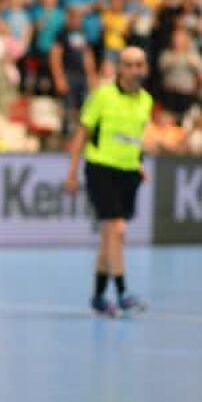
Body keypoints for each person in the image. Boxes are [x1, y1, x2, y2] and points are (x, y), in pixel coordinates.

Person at [63, 46, 152, 316]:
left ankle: (99, 297)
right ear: (120, 68)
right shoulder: (103, 95)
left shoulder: (146, 100)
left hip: (128, 173)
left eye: (139, 64)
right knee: (115, 229)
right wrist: (72, 172)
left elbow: (134, 138)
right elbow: (82, 133)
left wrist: (138, 164)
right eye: (129, 64)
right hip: (101, 169)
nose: (134, 69)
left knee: (109, 236)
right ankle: (123, 292)